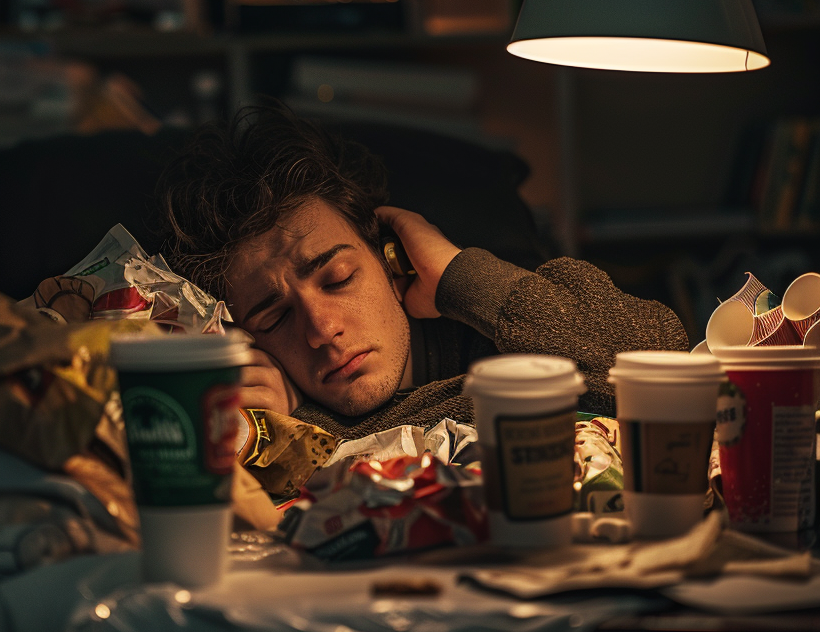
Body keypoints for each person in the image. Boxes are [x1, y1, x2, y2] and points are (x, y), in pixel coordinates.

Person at [157, 104, 688, 439]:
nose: (322, 330)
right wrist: (285, 430)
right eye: (273, 317)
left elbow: (670, 371)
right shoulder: (276, 422)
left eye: (338, 277)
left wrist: (459, 274)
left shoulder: (533, 316)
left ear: (391, 260)